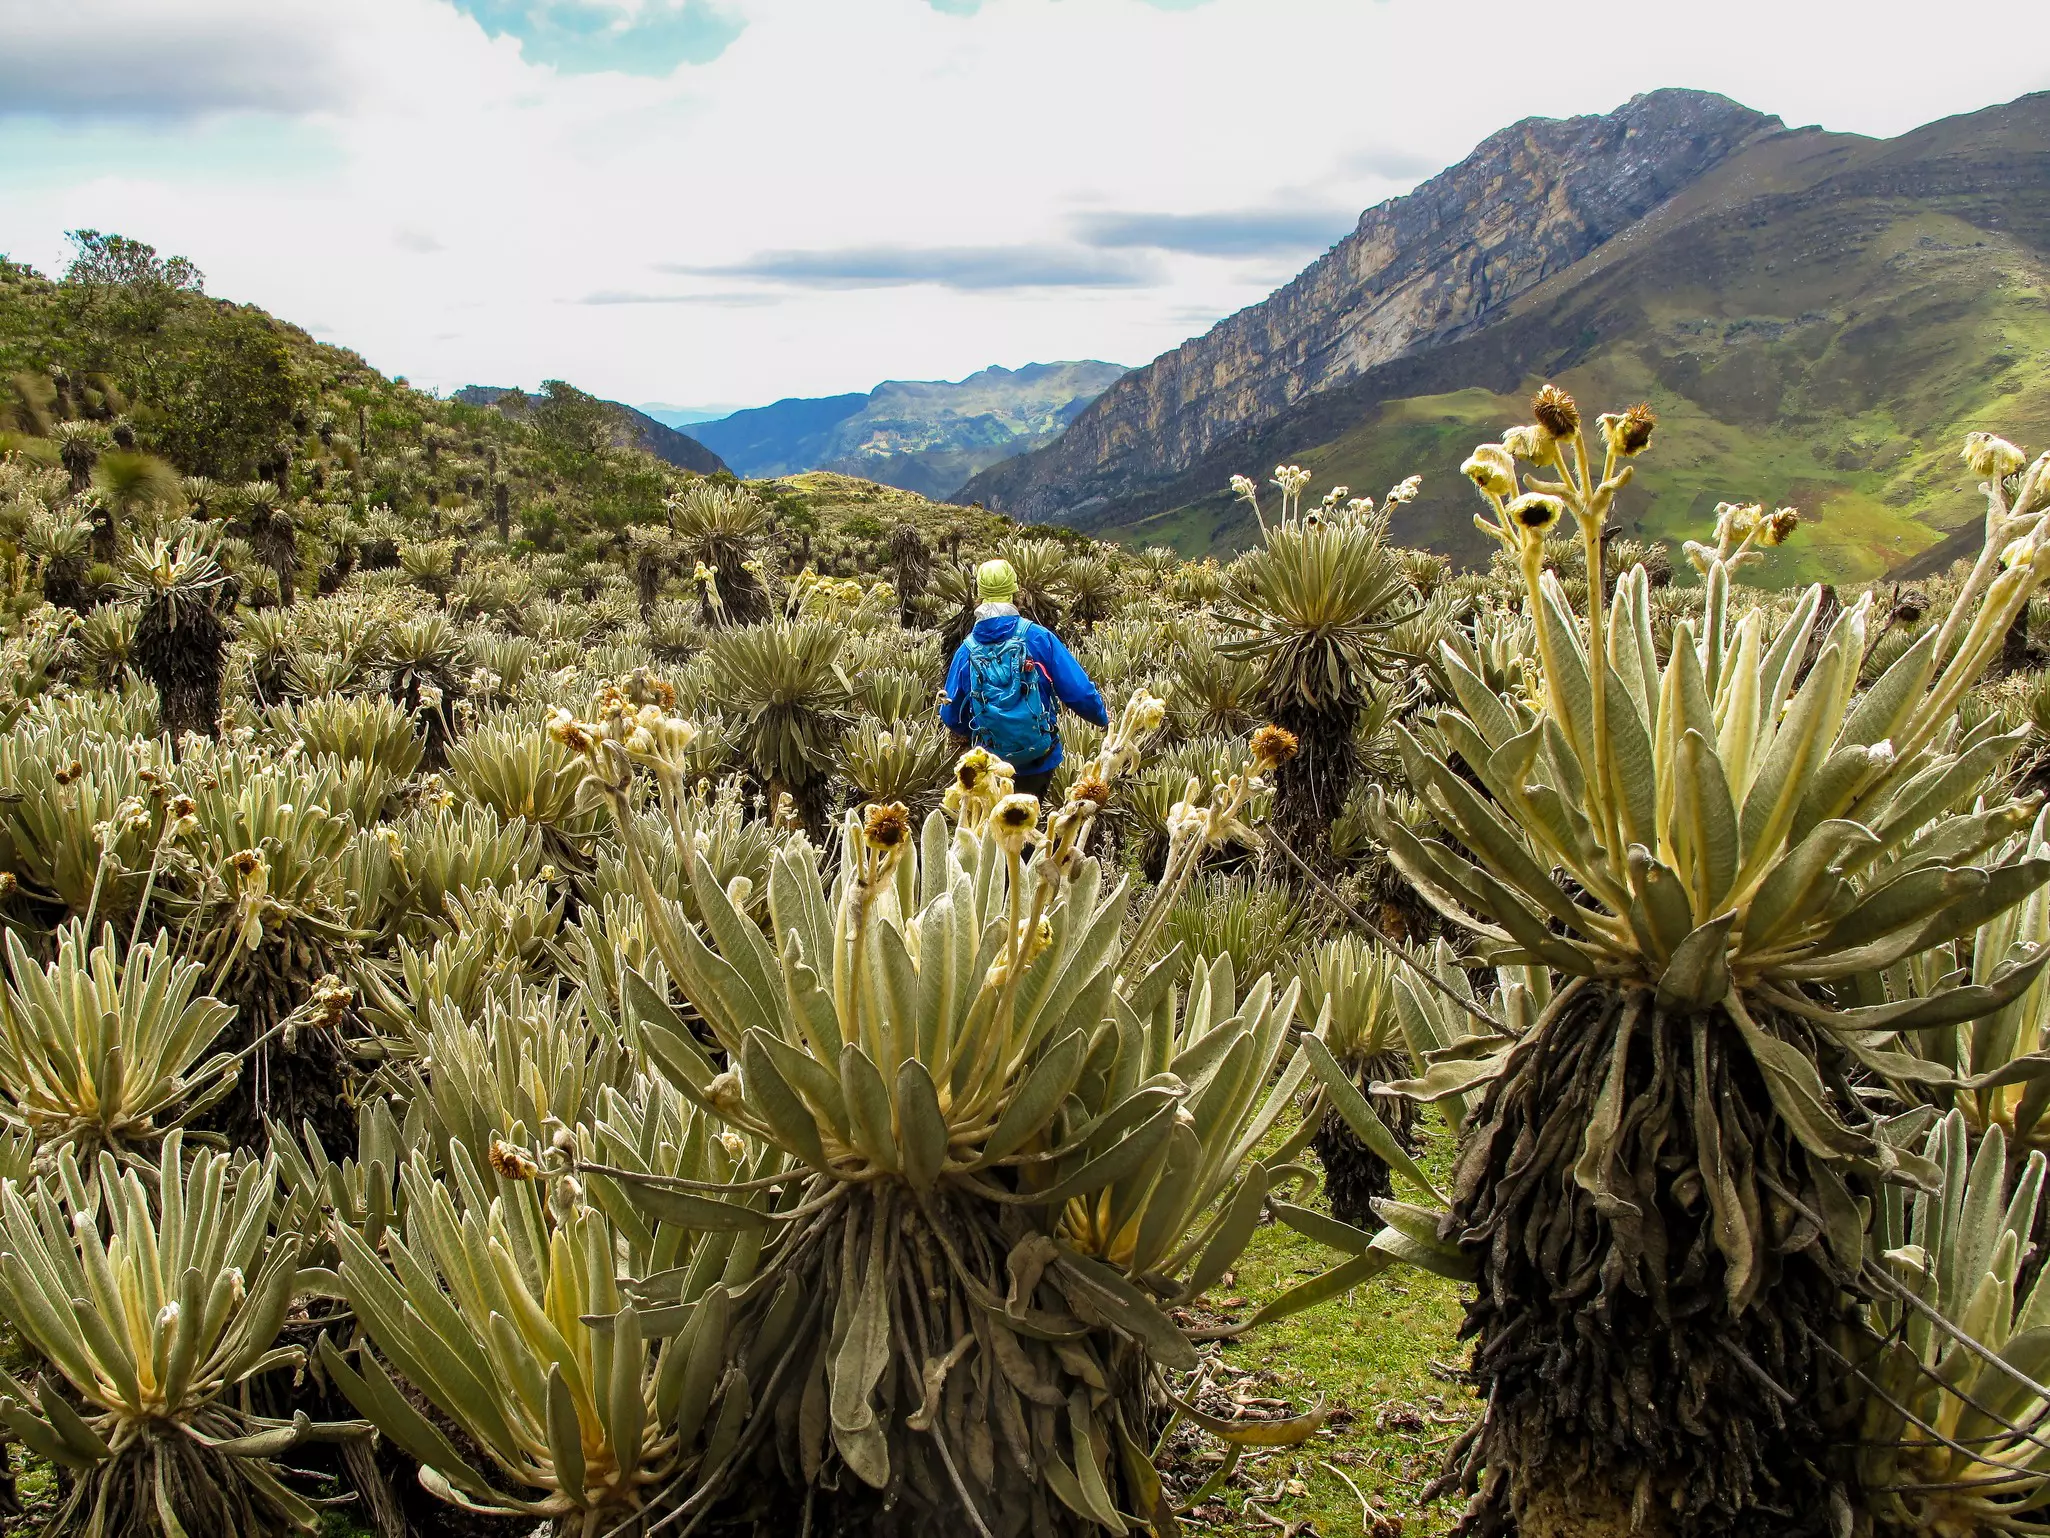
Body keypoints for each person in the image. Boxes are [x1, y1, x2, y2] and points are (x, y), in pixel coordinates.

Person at [940, 558, 1107, 799]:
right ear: (1015, 592)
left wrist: (986, 727)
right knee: (1028, 823)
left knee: (994, 828)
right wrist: (1101, 717)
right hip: (1038, 759)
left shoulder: (967, 651)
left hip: (991, 763)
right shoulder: (1038, 638)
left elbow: (950, 714)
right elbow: (1078, 692)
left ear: (979, 596)